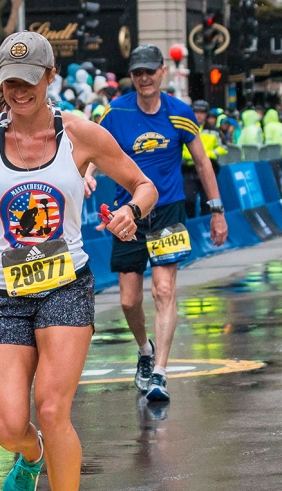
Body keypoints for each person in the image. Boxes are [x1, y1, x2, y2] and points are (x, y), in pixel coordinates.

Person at [0, 31, 158, 491]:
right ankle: (32, 455)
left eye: (29, 81)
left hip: (65, 284)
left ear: (50, 77)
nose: (19, 92)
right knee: (8, 427)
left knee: (50, 408)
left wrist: (129, 211)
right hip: (4, 294)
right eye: (10, 83)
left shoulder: (80, 133)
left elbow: (144, 185)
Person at [87, 44, 228, 403]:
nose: (144, 78)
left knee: (163, 290)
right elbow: (92, 148)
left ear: (163, 72)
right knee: (129, 300)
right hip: (126, 213)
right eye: (138, 73)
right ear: (131, 76)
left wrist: (217, 209)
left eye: (150, 71)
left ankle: (161, 373)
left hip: (167, 212)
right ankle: (145, 350)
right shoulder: (115, 112)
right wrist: (87, 174)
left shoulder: (180, 114)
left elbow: (202, 163)